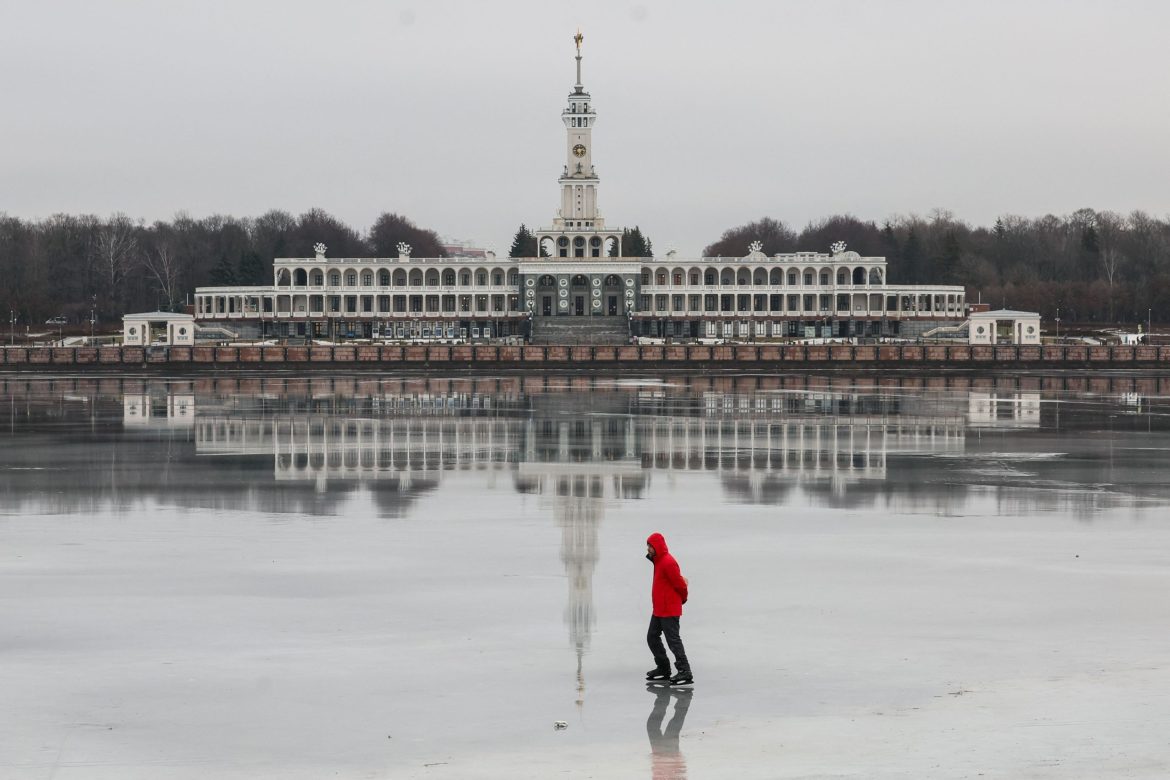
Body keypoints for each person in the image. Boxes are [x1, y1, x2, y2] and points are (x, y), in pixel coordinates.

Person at [645, 532, 692, 685]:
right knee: (652, 637)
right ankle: (663, 668)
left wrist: (683, 599)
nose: (648, 548)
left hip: (669, 609)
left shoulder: (668, 562)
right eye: (648, 545)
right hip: (659, 608)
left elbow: (680, 585)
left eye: (650, 546)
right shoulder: (658, 561)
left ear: (657, 546)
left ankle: (685, 671)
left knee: (673, 641)